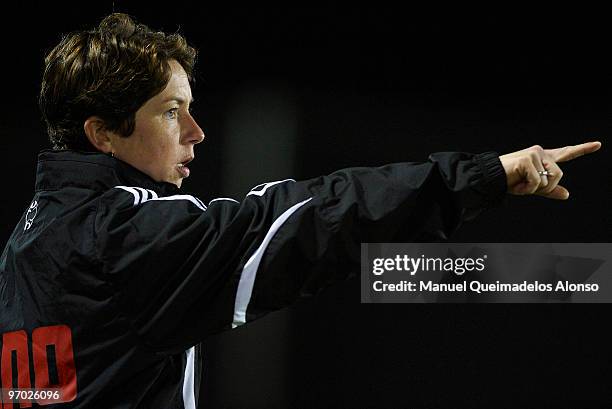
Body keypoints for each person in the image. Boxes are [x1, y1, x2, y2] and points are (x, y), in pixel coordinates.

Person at [0, 13, 601, 409]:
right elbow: (309, 219)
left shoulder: (32, 236)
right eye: (170, 111)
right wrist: (484, 176)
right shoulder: (123, 236)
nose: (197, 132)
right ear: (102, 133)